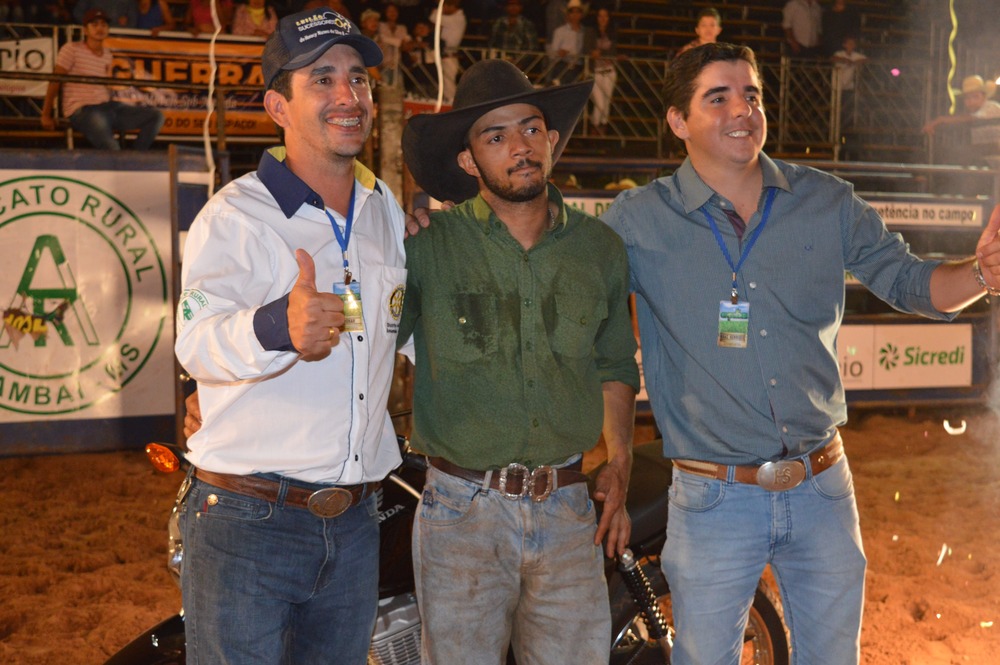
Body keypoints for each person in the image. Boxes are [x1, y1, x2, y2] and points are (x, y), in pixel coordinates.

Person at [599, 42, 1000, 665]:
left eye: (752, 95)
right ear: (678, 121)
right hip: (711, 500)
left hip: (822, 490)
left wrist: (982, 273)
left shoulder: (828, 202)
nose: (743, 110)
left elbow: (913, 284)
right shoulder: (634, 221)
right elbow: (591, 331)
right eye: (719, 97)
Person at [174, 8, 406, 664]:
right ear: (278, 104)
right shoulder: (236, 215)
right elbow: (195, 341)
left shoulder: (383, 208)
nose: (347, 96)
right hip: (251, 521)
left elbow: (397, 325)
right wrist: (278, 324)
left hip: (356, 521)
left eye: (358, 79)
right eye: (322, 79)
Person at [399, 58, 639, 663]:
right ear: (467, 160)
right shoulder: (426, 247)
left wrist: (622, 458)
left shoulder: (600, 248)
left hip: (567, 510)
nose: (520, 148)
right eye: (496, 136)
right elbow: (363, 344)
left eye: (531, 129)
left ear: (552, 140)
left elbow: (614, 365)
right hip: (461, 514)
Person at [41, 9, 164, 150]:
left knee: (156, 116)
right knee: (112, 148)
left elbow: (105, 85)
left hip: (108, 106)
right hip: (83, 109)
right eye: (94, 25)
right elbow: (55, 80)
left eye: (104, 25)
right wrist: (46, 114)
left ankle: (135, 157)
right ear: (85, 31)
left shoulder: (107, 54)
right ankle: (126, 161)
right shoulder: (71, 49)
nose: (100, 28)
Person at [831, 34, 867, 158]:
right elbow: (834, 58)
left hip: (849, 89)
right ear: (844, 44)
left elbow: (865, 60)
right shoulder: (840, 54)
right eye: (849, 43)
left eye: (853, 43)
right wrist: (846, 61)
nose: (851, 45)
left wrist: (853, 61)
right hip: (838, 88)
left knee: (848, 108)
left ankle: (847, 125)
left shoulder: (856, 56)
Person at [589, 6, 619, 136]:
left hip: (609, 71)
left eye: (605, 16)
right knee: (599, 103)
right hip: (595, 71)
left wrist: (601, 53)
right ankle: (595, 126)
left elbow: (613, 52)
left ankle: (602, 127)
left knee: (606, 103)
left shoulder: (613, 33)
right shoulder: (590, 32)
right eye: (600, 16)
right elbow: (587, 49)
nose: (603, 19)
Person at [429, 0, 466, 104]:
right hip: (441, 54)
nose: (443, 9)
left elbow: (433, 17)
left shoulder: (458, 18)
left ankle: (451, 106)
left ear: (453, 6)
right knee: (442, 84)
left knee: (449, 84)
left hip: (450, 56)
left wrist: (436, 9)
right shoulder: (452, 18)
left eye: (445, 6)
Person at [547, 0, 591, 85]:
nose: (575, 15)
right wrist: (559, 53)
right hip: (562, 65)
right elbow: (552, 53)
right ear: (568, 14)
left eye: (578, 12)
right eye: (572, 12)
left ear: (581, 14)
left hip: (579, 67)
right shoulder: (559, 31)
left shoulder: (585, 32)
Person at [376, 2, 409, 86]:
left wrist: (399, 42)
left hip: (397, 64)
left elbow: (405, 45)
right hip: (383, 65)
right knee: (384, 90)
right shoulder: (380, 25)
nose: (392, 13)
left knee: (398, 90)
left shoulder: (402, 28)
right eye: (389, 11)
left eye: (394, 11)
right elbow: (382, 38)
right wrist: (398, 41)